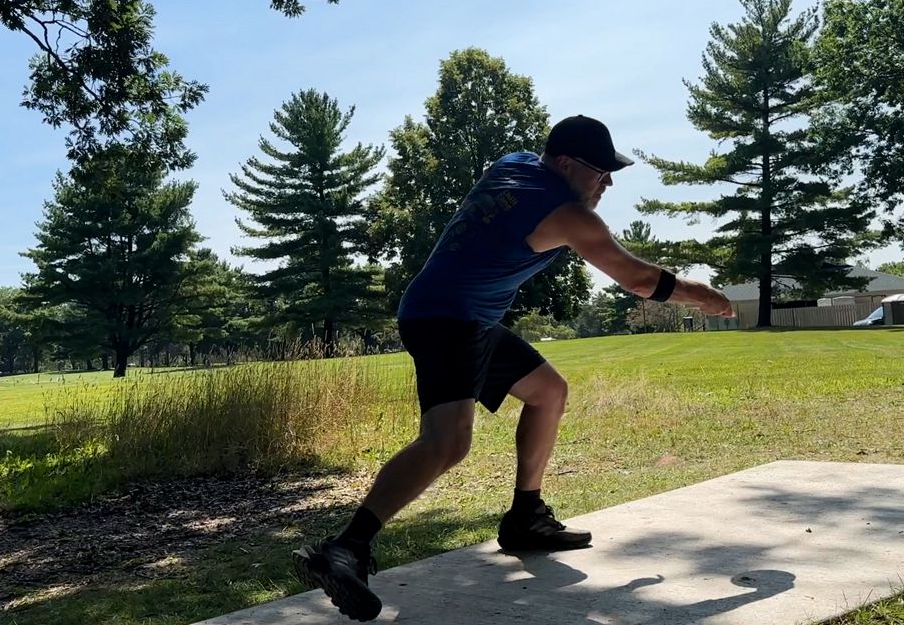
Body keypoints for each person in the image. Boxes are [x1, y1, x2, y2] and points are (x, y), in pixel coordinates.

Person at [292, 115, 735, 621]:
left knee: (548, 391)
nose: (606, 182)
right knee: (447, 441)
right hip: (448, 319)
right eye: (600, 172)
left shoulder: (513, 163)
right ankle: (345, 548)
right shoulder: (568, 215)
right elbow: (635, 279)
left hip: (465, 317)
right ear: (566, 164)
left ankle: (527, 517)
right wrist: (700, 295)